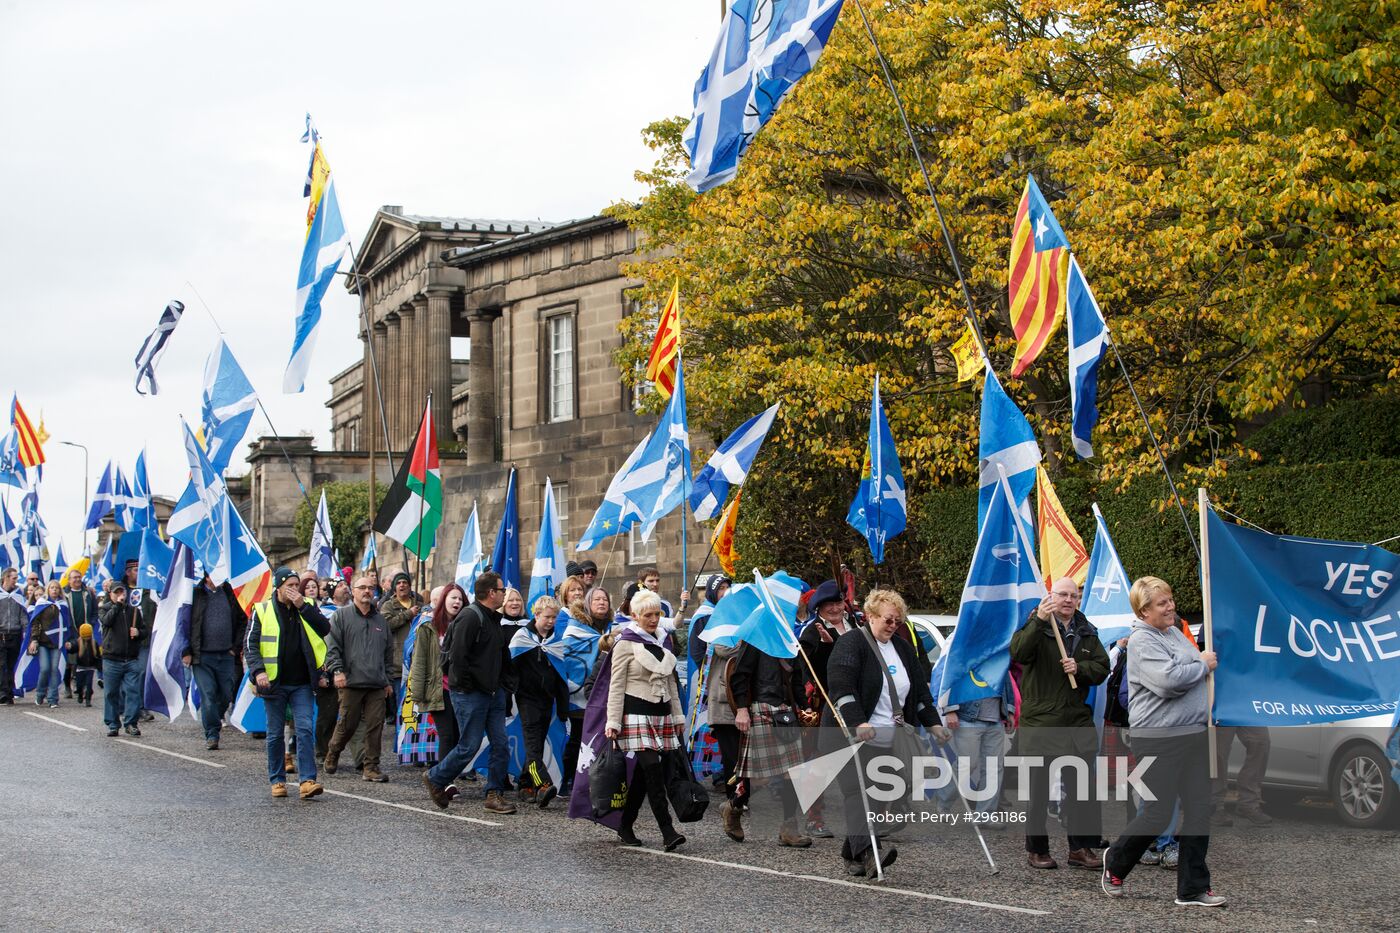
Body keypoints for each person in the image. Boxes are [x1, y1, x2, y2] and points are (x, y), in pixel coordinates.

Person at [1102, 577, 1225, 908]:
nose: (1170, 606)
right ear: (1143, 611)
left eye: (1170, 600)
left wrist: (1196, 664)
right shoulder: (1142, 641)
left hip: (1193, 734)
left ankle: (1192, 888)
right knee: (1157, 813)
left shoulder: (1173, 634)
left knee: (1199, 810)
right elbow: (1169, 681)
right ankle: (1115, 862)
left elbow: (1186, 671)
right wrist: (1200, 663)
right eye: (1161, 603)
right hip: (1158, 739)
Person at [825, 588, 944, 878]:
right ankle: (870, 854)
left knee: (877, 796)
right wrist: (858, 722)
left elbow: (918, 692)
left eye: (898, 621)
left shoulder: (903, 648)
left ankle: (851, 852)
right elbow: (842, 688)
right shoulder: (851, 643)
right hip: (851, 734)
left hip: (890, 736)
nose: (893, 626)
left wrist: (934, 722)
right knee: (858, 793)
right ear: (870, 616)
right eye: (889, 620)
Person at [1009, 576, 1110, 871]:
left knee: (1080, 792)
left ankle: (1079, 848)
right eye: (1063, 594)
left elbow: (1102, 667)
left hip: (1076, 722)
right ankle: (1037, 849)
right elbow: (1018, 653)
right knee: (1038, 793)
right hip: (1041, 723)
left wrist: (1081, 668)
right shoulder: (1037, 625)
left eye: (1073, 595)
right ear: (1051, 596)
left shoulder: (1086, 630)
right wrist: (1039, 620)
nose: (1068, 600)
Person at [422, 572, 518, 815]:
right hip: (471, 694)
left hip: (493, 692)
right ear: (491, 593)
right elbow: (458, 658)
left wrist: (505, 683)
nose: (505, 594)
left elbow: (499, 654)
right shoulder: (470, 617)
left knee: (500, 744)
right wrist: (466, 687)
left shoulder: (493, 618)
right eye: (501, 589)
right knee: (469, 745)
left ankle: (494, 794)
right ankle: (435, 777)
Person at [603, 590, 687, 850]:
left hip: (661, 715)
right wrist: (613, 722)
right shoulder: (625, 643)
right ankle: (668, 830)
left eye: (657, 614)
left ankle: (625, 824)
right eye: (647, 615)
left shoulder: (662, 641)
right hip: (635, 715)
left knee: (644, 775)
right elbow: (615, 686)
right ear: (635, 616)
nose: (653, 620)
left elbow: (670, 682)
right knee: (653, 770)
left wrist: (678, 715)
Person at [244, 567, 332, 800]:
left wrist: (303, 605)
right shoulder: (262, 610)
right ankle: (278, 780)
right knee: (274, 733)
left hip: (302, 681)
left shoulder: (308, 606)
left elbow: (325, 628)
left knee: (304, 729)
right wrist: (258, 671)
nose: (294, 590)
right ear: (279, 587)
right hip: (274, 682)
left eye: (297, 585)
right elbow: (251, 645)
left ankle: (307, 780)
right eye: (290, 586)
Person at [728, 637, 812, 848]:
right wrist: (741, 709)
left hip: (786, 712)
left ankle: (789, 829)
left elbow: (797, 680)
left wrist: (804, 706)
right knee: (757, 777)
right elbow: (739, 676)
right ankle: (733, 807)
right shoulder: (755, 640)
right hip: (761, 708)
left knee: (792, 772)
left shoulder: (790, 641)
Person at [324, 575, 398, 783]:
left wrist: (388, 681)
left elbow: (388, 653)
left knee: (376, 725)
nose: (367, 591)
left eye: (370, 588)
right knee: (347, 723)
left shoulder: (381, 621)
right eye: (362, 587)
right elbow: (332, 647)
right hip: (350, 682)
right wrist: (337, 671)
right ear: (353, 591)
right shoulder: (341, 617)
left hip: (376, 683)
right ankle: (333, 751)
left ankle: (371, 767)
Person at [511, 596, 570, 808]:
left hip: (547, 701)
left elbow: (561, 677)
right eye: (547, 617)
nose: (551, 621)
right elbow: (510, 669)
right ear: (536, 615)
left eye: (554, 617)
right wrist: (509, 697)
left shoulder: (556, 641)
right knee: (533, 745)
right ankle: (543, 784)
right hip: (527, 700)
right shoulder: (522, 637)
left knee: (536, 744)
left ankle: (525, 785)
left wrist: (563, 708)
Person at [183, 574, 247, 750]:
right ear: (207, 577)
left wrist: (235, 647)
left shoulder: (229, 593)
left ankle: (212, 717)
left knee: (226, 694)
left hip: (226, 655)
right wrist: (186, 650)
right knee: (208, 695)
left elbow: (243, 620)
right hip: (202, 656)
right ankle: (212, 733)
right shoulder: (195, 594)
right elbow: (184, 623)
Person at [408, 584, 465, 772]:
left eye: (460, 599)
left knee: (458, 736)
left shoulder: (466, 624)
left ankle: (446, 777)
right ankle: (442, 780)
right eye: (453, 598)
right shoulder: (428, 626)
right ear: (444, 600)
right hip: (438, 689)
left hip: (461, 689)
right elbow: (419, 660)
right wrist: (417, 693)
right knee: (447, 736)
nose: (457, 602)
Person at [98, 582, 147, 737]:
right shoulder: (105, 608)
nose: (120, 595)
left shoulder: (133, 611)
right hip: (112, 659)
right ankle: (113, 724)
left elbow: (145, 630)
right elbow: (107, 621)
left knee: (133, 692)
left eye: (122, 592)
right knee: (111, 693)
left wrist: (138, 632)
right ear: (111, 594)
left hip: (131, 659)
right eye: (116, 592)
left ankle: (131, 723)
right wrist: (117, 606)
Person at [119, 559, 158, 722]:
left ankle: (140, 707)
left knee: (141, 672)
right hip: (123, 641)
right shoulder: (120, 591)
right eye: (136, 570)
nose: (139, 573)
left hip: (143, 639)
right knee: (123, 673)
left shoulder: (149, 592)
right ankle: (123, 706)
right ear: (128, 572)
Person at [27, 580, 74, 708]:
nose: (54, 590)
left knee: (54, 669)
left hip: (57, 643)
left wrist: (68, 639)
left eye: (57, 588)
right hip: (43, 642)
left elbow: (67, 624)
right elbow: (36, 623)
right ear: (48, 589)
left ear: (59, 590)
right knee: (45, 668)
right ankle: (40, 693)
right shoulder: (42, 604)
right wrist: (34, 639)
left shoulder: (63, 605)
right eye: (52, 588)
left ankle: (53, 698)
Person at [378, 572, 422, 703]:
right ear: (394, 588)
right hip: (398, 664)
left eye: (405, 582)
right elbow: (386, 626)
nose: (402, 585)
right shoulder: (388, 606)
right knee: (401, 702)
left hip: (418, 660)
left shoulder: (418, 604)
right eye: (398, 583)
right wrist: (408, 614)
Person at [63, 569, 96, 699]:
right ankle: (67, 685)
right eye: (74, 578)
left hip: (86, 632)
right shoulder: (64, 594)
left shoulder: (88, 593)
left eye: (79, 577)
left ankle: (80, 685)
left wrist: (91, 625)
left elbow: (94, 611)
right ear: (69, 580)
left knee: (83, 659)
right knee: (69, 661)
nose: (77, 580)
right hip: (70, 631)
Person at [0, 568, 27, 704]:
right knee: (1, 664)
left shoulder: (18, 595)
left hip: (15, 634)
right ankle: (2, 692)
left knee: (12, 665)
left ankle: (9, 693)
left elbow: (23, 614)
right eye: (14, 578)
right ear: (6, 577)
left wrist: (26, 629)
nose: (16, 581)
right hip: (1, 634)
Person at [72, 622, 100, 706]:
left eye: (88, 636)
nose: (87, 638)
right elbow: (73, 648)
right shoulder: (78, 643)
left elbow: (98, 656)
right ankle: (80, 694)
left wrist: (100, 666)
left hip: (90, 667)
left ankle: (88, 699)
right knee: (79, 684)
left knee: (89, 683)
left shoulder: (94, 643)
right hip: (80, 668)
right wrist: (70, 646)